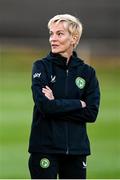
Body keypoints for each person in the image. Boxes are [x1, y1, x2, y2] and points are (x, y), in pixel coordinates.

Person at [28, 14, 100, 179]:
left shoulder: (87, 73)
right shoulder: (41, 67)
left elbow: (91, 113)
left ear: (73, 38)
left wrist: (56, 104)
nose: (53, 38)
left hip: (76, 150)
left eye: (59, 34)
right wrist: (78, 103)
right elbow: (45, 106)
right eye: (51, 33)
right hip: (45, 149)